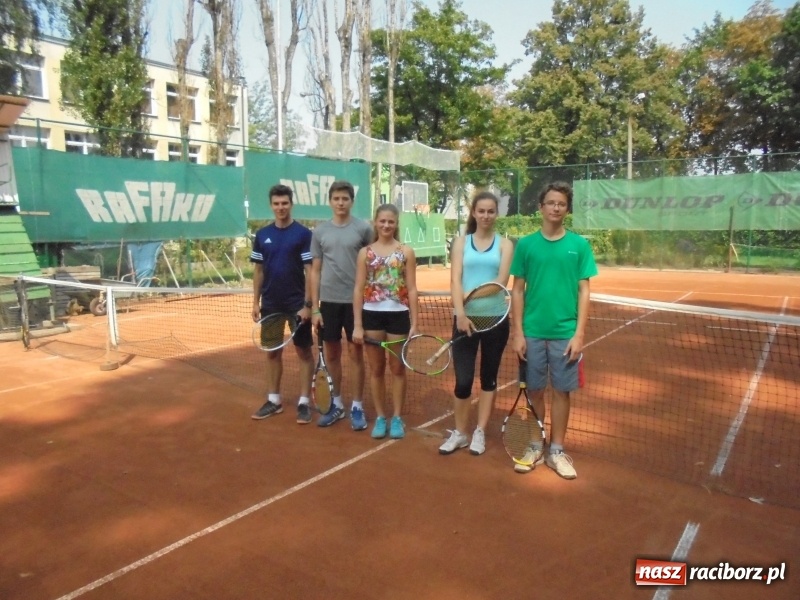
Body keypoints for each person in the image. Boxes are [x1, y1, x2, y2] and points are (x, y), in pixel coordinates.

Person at [510, 181, 598, 479]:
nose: (556, 208)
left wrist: (579, 334)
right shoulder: (525, 245)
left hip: (565, 334)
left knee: (561, 392)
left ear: (567, 209)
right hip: (532, 332)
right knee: (534, 390)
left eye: (561, 204)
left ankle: (557, 450)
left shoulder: (579, 246)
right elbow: (517, 290)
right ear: (541, 207)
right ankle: (536, 445)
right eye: (550, 203)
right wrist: (518, 333)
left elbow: (584, 291)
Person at [439, 191, 514, 456]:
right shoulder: (460, 242)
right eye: (480, 211)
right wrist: (460, 313)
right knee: (463, 380)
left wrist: (467, 298)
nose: (485, 216)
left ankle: (479, 431)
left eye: (490, 211)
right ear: (473, 213)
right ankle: (460, 433)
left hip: (495, 320)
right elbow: (454, 280)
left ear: (496, 214)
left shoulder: (505, 245)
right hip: (464, 321)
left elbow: (501, 282)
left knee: (488, 378)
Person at [310, 180, 374, 429]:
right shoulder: (320, 232)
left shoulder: (363, 229)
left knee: (356, 354)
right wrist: (315, 307)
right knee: (332, 354)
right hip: (329, 303)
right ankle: (336, 404)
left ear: (351, 201)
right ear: (330, 201)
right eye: (336, 199)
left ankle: (357, 406)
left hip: (356, 303)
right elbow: (315, 271)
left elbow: (373, 263)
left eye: (344, 199)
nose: (340, 203)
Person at [352, 204, 419, 440]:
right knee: (376, 369)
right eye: (382, 221)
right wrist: (358, 324)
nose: (386, 225)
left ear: (396, 223)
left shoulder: (406, 252)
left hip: (398, 315)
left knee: (397, 368)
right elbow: (359, 288)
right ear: (375, 222)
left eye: (391, 221)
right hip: (372, 315)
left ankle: (397, 417)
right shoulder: (365, 253)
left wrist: (414, 322)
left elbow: (411, 288)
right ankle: (381, 417)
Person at [250, 183, 315, 423]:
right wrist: (255, 302)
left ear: (291, 204)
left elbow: (310, 270)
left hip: (297, 305)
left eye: (285, 203)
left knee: (303, 351)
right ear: (271, 205)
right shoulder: (262, 235)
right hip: (270, 305)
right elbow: (258, 271)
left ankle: (304, 402)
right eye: (276, 204)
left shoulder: (303, 234)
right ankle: (274, 400)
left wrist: (308, 304)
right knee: (272, 353)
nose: (281, 207)